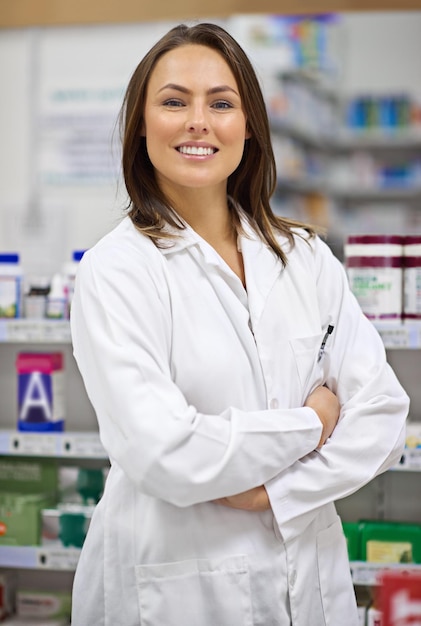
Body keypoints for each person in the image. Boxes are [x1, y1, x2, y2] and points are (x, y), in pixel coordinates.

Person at [70, 22, 409, 626]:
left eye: (222, 103)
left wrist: (274, 494)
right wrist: (313, 422)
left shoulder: (305, 257)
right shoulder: (117, 270)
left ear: (248, 125)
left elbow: (382, 413)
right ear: (141, 125)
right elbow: (165, 451)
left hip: (311, 585)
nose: (199, 121)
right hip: (178, 589)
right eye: (174, 102)